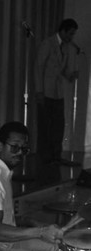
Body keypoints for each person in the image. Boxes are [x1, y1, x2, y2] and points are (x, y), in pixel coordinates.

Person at [0, 121, 64, 251]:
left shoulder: (3, 174)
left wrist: (31, 221)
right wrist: (41, 231)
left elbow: (5, 219)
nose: (19, 153)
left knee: (55, 249)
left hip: (6, 243)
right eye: (14, 147)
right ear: (0, 146)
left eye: (23, 149)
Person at [34, 18, 79, 167]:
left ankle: (56, 157)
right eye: (70, 33)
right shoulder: (48, 43)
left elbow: (61, 68)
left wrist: (70, 75)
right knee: (46, 125)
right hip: (46, 92)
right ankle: (46, 158)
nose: (71, 37)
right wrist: (39, 90)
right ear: (63, 30)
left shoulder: (65, 47)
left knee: (58, 126)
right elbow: (39, 68)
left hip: (58, 92)